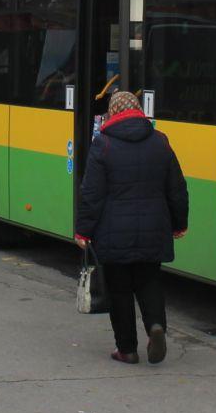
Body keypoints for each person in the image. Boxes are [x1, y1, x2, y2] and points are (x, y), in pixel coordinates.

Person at [74, 90, 189, 365]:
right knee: (149, 280)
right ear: (139, 111)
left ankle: (127, 349)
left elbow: (92, 194)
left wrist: (83, 231)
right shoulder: (160, 142)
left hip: (114, 233)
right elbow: (177, 188)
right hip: (154, 228)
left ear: (113, 113)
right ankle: (155, 327)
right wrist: (179, 223)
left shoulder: (103, 145)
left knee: (120, 289)